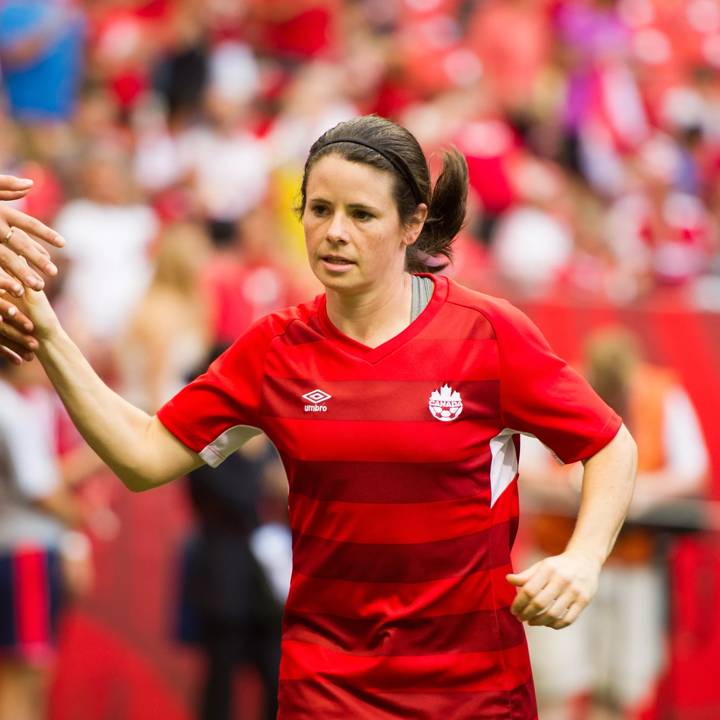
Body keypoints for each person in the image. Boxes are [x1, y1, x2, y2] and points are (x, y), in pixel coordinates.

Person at [0, 116, 637, 719]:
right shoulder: (273, 349)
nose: (334, 231)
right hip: (325, 693)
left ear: (412, 224)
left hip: (472, 694)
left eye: (362, 214)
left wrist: (582, 559)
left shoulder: (488, 333)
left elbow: (610, 445)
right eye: (320, 209)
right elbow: (143, 456)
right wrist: (47, 330)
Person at [521, 327, 708, 719]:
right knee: (553, 682)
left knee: (622, 685)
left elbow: (693, 469)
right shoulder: (560, 385)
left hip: (633, 561)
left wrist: (639, 491)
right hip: (559, 555)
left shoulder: (659, 394)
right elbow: (526, 469)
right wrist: (580, 487)